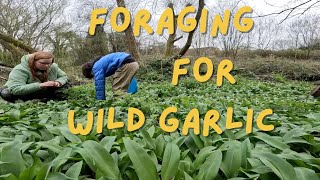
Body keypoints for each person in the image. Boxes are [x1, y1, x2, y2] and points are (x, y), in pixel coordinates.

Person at [0, 51, 68, 102]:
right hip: (25, 93)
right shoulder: (20, 69)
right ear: (33, 61)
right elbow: (15, 89)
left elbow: (64, 76)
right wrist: (40, 85)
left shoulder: (53, 66)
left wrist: (58, 82)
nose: (47, 66)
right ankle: (21, 104)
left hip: (43, 91)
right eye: (43, 63)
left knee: (65, 84)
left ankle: (48, 100)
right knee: (6, 93)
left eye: (49, 63)